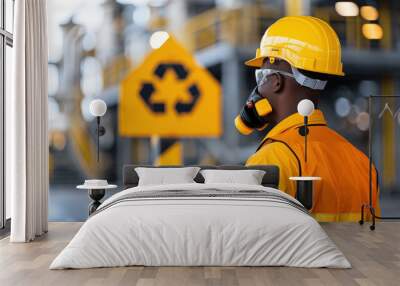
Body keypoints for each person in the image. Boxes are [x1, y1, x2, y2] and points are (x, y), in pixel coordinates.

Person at [236, 16, 378, 222]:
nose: (257, 89)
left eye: (261, 77)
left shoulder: (271, 160)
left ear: (275, 81)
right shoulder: (362, 163)